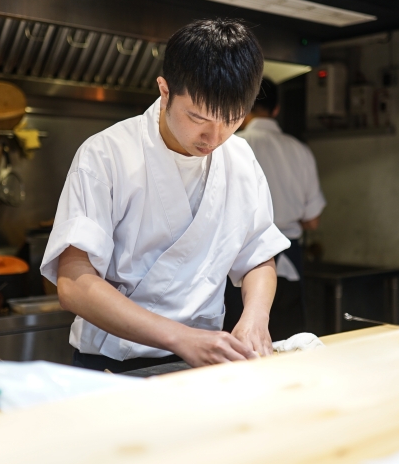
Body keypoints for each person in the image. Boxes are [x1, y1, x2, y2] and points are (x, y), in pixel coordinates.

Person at [40, 19, 290, 373]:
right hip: (112, 366)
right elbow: (72, 284)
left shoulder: (240, 157)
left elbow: (257, 257)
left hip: (205, 361)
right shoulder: (105, 155)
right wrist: (181, 338)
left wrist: (255, 317)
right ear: (165, 90)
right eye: (197, 117)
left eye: (231, 119)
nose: (214, 136)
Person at [227, 78, 326, 340]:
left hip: (241, 262)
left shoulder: (232, 147)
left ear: (243, 107)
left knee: (240, 346)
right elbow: (313, 220)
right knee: (289, 345)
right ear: (277, 108)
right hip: (289, 256)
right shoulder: (300, 150)